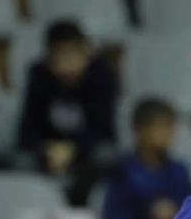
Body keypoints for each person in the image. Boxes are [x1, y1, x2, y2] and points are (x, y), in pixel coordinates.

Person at [16, 20, 118, 204]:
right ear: (49, 58)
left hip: (86, 151)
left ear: (86, 53)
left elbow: (103, 127)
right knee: (21, 161)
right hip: (49, 151)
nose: (69, 65)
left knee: (107, 155)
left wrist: (73, 149)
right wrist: (47, 149)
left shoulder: (101, 75)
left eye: (74, 55)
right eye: (61, 57)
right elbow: (28, 127)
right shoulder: (39, 76)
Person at [102, 98, 191, 219]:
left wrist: (175, 213)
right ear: (140, 130)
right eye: (162, 127)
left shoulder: (179, 171)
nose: (169, 134)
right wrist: (149, 214)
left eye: (171, 127)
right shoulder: (122, 171)